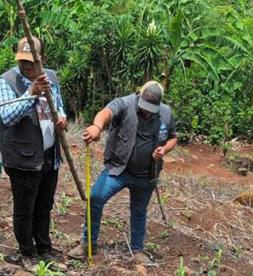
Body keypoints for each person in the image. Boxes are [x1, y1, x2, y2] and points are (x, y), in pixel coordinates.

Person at [68, 81, 178, 264]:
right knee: (95, 198)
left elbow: (173, 138)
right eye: (145, 107)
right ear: (139, 96)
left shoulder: (166, 113)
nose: (147, 112)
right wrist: (97, 127)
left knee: (139, 211)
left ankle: (137, 250)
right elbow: (106, 113)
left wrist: (164, 149)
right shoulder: (125, 103)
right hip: (119, 169)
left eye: (152, 109)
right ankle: (88, 243)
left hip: (146, 174)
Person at [0, 36, 67, 268]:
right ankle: (27, 253)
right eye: (22, 61)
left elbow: (58, 106)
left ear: (41, 59)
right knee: (25, 208)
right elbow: (7, 116)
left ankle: (44, 249)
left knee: (44, 205)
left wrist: (62, 118)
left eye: (30, 61)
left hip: (49, 154)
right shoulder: (6, 82)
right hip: (22, 157)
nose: (25, 66)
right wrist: (31, 94)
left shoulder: (51, 77)